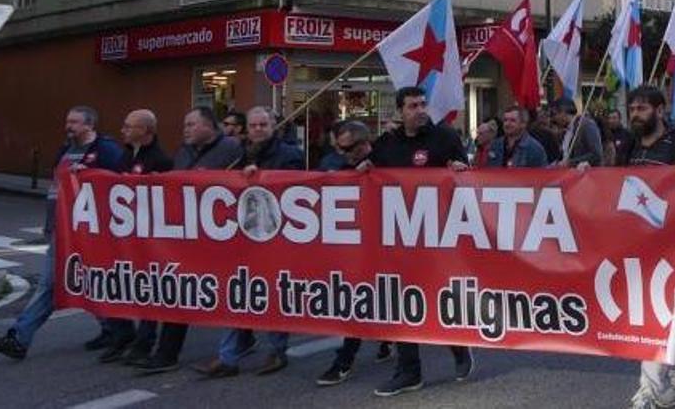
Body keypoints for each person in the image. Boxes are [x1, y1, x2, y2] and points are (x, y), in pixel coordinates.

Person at [0, 106, 124, 360]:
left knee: (51, 285)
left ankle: (19, 338)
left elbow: (119, 185)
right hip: (60, 229)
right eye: (67, 121)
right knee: (82, 282)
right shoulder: (65, 150)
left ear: (90, 125)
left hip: (87, 231)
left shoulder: (106, 150)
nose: (68, 126)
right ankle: (113, 328)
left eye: (75, 122)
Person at [366, 86, 474, 396]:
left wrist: (460, 170)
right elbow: (370, 177)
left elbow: (466, 178)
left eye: (423, 104)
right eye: (413, 105)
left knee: (439, 298)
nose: (420, 109)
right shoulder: (387, 143)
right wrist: (360, 171)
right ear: (400, 111)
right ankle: (409, 372)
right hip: (399, 238)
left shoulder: (445, 137)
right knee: (404, 302)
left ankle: (457, 345)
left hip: (439, 234)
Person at [613, 85, 675, 409]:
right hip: (636, 242)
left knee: (654, 314)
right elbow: (615, 183)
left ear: (660, 110)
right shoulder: (629, 143)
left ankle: (651, 390)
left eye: (642, 108)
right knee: (657, 315)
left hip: (672, 245)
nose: (635, 114)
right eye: (632, 108)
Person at [194, 106, 304, 379]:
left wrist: (261, 178)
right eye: (253, 125)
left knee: (272, 296)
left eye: (263, 125)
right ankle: (227, 357)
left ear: (273, 126)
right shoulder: (240, 153)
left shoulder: (289, 155)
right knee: (236, 294)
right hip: (242, 236)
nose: (257, 129)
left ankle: (277, 350)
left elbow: (295, 190)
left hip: (275, 238)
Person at [135, 106, 245, 374]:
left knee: (233, 293)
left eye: (191, 124)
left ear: (209, 126)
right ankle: (165, 352)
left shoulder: (231, 149)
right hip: (189, 235)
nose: (185, 129)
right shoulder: (184, 152)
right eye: (185, 124)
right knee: (178, 289)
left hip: (224, 236)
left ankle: (237, 347)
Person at [315, 121, 396, 387]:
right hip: (352, 245)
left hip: (385, 242)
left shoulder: (385, 159)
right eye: (338, 147)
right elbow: (319, 183)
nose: (342, 152)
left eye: (348, 148)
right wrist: (350, 173)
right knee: (357, 301)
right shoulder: (335, 160)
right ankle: (345, 360)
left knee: (384, 296)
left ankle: (360, 353)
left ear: (364, 145)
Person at [96, 109, 176, 365]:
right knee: (115, 284)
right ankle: (122, 335)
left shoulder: (160, 160)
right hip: (124, 234)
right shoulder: (126, 154)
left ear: (146, 131)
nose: (123, 130)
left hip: (149, 239)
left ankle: (144, 341)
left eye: (129, 126)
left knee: (147, 289)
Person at [551, 97, 603, 167]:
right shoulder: (566, 130)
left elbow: (596, 155)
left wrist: (570, 163)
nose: (554, 118)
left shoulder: (586, 125)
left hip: (585, 175)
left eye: (555, 114)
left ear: (563, 112)